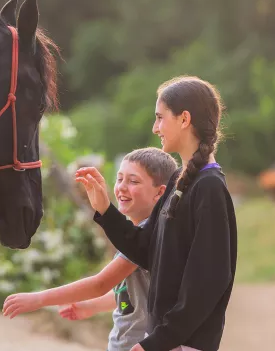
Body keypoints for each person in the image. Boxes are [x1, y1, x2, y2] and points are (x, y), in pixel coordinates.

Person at [75, 76, 237, 351]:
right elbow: (145, 250)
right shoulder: (180, 181)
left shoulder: (209, 188)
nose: (155, 127)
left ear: (184, 119)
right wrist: (105, 209)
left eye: (160, 118)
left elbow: (209, 282)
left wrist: (158, 341)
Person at [2, 147, 178, 351]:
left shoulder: (147, 235)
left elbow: (100, 283)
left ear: (160, 192)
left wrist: (38, 299)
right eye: (119, 179)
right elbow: (132, 295)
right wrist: (91, 306)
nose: (121, 187)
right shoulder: (140, 233)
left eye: (134, 181)